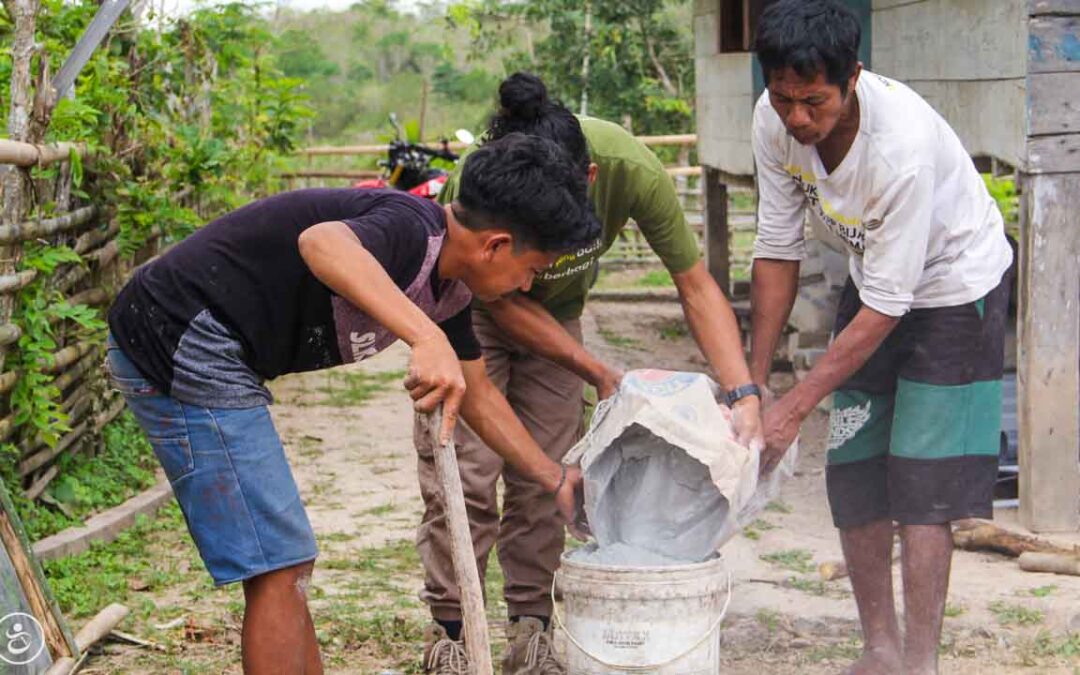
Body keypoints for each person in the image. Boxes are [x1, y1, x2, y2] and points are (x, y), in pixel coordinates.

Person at [105, 133, 600, 675]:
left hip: (215, 350)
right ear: (496, 245)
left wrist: (553, 479)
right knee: (277, 564)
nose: (528, 282)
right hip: (178, 337)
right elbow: (323, 243)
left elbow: (478, 392)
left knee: (287, 562)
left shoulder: (452, 287)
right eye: (533, 268)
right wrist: (424, 338)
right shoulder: (412, 228)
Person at [416, 72, 763, 673]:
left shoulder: (631, 169)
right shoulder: (478, 172)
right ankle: (453, 632)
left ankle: (532, 629)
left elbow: (693, 282)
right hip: (469, 312)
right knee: (468, 473)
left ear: (589, 180)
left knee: (554, 474)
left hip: (559, 321)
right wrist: (599, 370)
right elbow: (493, 293)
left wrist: (744, 391)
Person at [748, 2, 1013, 674]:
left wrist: (793, 407)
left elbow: (894, 303)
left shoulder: (901, 147)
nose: (798, 119)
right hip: (877, 285)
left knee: (923, 483)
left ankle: (919, 662)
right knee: (855, 465)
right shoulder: (771, 123)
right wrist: (754, 386)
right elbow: (778, 249)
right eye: (784, 99)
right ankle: (880, 652)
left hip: (956, 289)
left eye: (815, 101)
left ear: (853, 77)